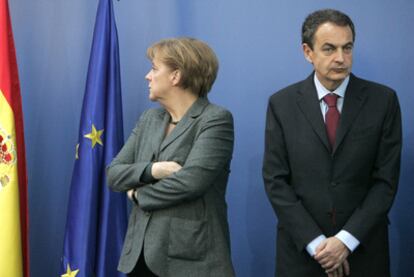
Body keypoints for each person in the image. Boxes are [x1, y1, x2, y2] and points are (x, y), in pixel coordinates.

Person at [263, 9, 402, 277]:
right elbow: (275, 181)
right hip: (302, 255)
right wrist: (318, 245)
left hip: (363, 253)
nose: (341, 58)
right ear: (307, 52)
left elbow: (386, 182)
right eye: (329, 49)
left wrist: (345, 241)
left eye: (347, 48)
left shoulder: (383, 101)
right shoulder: (282, 104)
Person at [107, 37, 235, 277]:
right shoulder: (149, 120)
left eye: (155, 69)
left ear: (176, 76)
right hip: (140, 257)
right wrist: (154, 170)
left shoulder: (215, 119)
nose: (148, 76)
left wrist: (138, 194)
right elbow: (114, 174)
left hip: (192, 261)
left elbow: (191, 182)